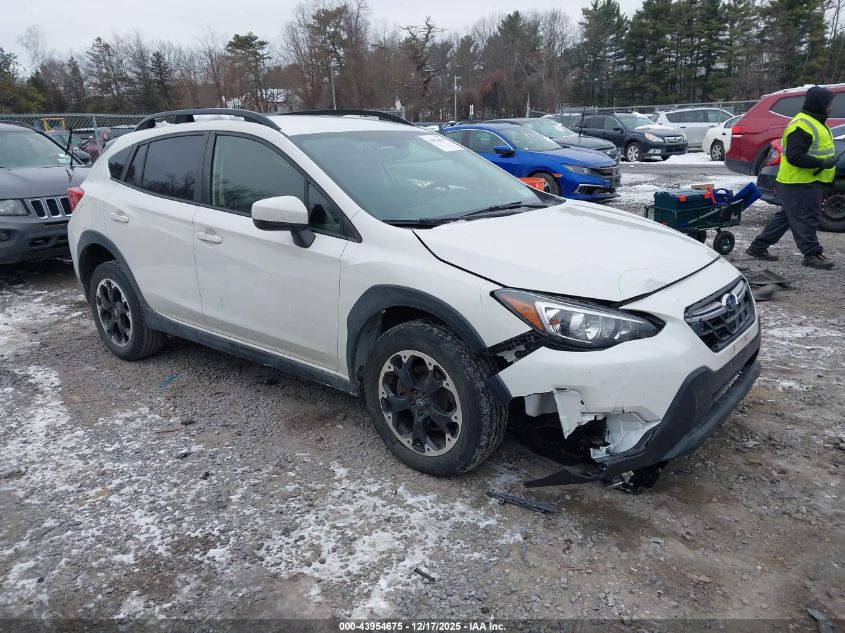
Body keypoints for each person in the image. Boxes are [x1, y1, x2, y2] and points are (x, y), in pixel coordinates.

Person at [746, 85, 837, 269]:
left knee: (787, 216)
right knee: (807, 218)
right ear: (819, 104)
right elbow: (795, 157)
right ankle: (811, 254)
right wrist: (821, 163)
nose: (830, 108)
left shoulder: (813, 121)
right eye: (828, 104)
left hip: (800, 181)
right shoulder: (802, 125)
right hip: (800, 182)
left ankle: (757, 247)